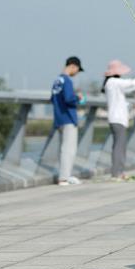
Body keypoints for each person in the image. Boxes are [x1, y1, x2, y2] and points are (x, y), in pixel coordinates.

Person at [102, 60, 135, 181]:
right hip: (118, 119)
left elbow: (128, 88)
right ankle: (117, 173)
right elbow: (133, 84)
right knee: (119, 147)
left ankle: (118, 172)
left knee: (118, 146)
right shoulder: (114, 82)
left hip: (116, 119)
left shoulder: (111, 83)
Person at [51, 56, 85, 186]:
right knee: (69, 149)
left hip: (59, 117)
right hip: (69, 118)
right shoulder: (67, 80)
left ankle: (66, 176)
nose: (77, 73)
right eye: (77, 70)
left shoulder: (57, 80)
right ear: (73, 66)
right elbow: (69, 98)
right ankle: (64, 178)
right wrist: (79, 98)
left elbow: (53, 98)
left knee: (64, 148)